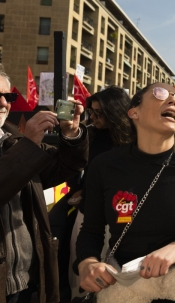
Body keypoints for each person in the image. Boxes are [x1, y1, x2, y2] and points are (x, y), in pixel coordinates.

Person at [75, 83, 175, 302]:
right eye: (161, 93)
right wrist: (86, 263)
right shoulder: (104, 165)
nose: (174, 101)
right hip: (122, 288)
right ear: (134, 112)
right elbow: (91, 230)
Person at [0, 64, 89, 303]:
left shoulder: (13, 141)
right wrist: (28, 144)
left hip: (27, 278)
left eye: (7, 96)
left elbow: (62, 167)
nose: (3, 104)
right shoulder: (23, 143)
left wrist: (71, 135)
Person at [48, 86, 133, 301]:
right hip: (88, 215)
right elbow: (75, 165)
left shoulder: (137, 140)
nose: (93, 117)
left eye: (98, 113)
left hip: (122, 217)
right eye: (91, 112)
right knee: (84, 275)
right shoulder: (90, 134)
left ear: (116, 112)